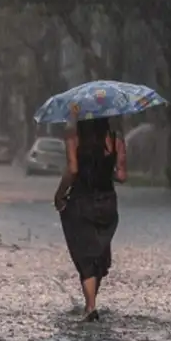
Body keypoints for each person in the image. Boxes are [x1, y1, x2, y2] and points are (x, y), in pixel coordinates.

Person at [53, 105, 127, 322]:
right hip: (107, 203)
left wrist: (59, 194)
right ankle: (92, 302)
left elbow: (73, 170)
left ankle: (90, 307)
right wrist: (105, 169)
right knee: (98, 253)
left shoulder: (73, 137)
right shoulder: (115, 139)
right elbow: (122, 176)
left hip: (81, 201)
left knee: (84, 253)